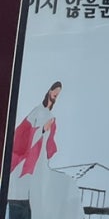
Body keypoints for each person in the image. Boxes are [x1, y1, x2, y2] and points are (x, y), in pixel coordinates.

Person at [8, 82, 83, 219]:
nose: (56, 95)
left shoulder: (51, 117)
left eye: (58, 94)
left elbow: (49, 147)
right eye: (56, 92)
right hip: (27, 167)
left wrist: (50, 135)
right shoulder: (37, 111)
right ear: (50, 91)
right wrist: (42, 129)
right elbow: (23, 137)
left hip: (40, 164)